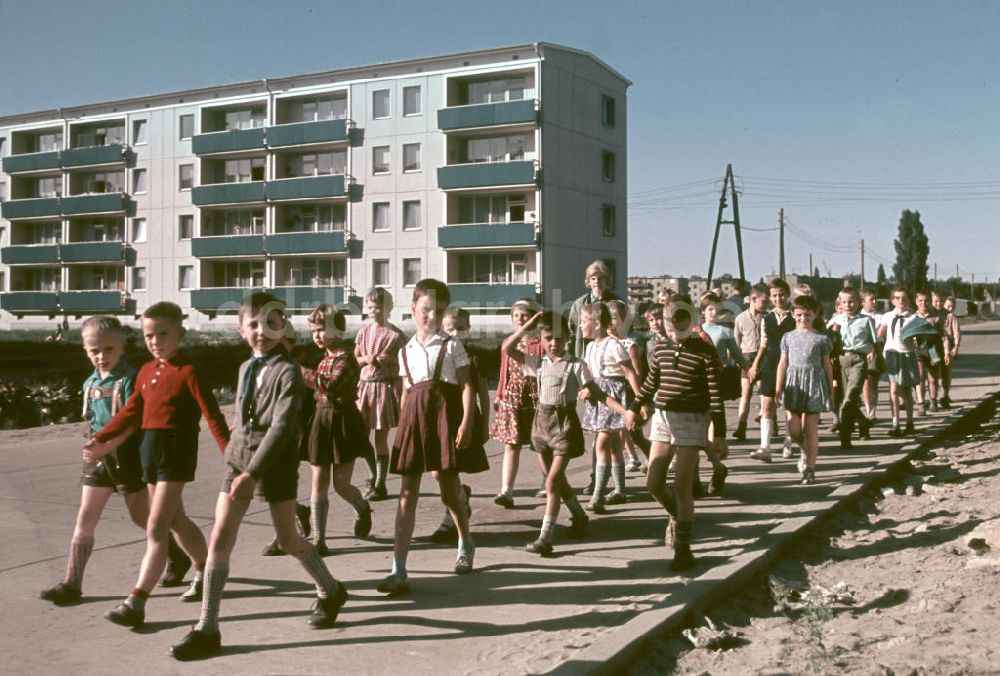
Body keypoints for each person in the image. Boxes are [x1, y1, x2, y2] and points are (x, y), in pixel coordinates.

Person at [170, 293, 348, 660]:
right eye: (252, 324)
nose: (260, 332)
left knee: (287, 538)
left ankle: (330, 589)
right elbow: (243, 418)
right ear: (240, 329)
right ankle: (207, 627)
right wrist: (236, 456)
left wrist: (253, 473)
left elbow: (282, 426)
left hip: (274, 463)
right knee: (221, 534)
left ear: (283, 328)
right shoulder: (245, 367)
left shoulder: (289, 372)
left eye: (270, 324)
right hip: (239, 460)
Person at [85, 301, 230, 628]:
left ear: (181, 333)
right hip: (149, 451)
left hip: (176, 452)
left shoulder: (189, 371)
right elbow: (131, 412)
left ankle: (136, 601)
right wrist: (101, 438)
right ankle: (206, 569)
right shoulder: (147, 372)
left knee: (156, 525)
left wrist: (231, 458)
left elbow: (213, 416)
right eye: (149, 335)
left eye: (163, 334)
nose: (155, 341)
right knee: (176, 519)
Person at [40, 316, 190, 606]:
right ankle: (72, 583)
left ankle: (176, 556)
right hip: (99, 458)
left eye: (109, 349)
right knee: (85, 516)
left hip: (128, 456)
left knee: (141, 517)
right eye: (94, 350)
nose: (101, 356)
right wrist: (94, 445)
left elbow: (133, 422)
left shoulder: (131, 379)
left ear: (122, 347)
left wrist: (107, 444)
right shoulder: (90, 382)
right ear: (85, 349)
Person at [377, 279, 479, 596]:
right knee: (408, 494)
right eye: (425, 310)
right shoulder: (405, 350)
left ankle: (465, 540)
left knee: (449, 491)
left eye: (437, 311)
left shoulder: (451, 345)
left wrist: (465, 424)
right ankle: (399, 569)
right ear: (413, 310)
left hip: (443, 422)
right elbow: (406, 393)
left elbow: (466, 386)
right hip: (413, 423)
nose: (431, 317)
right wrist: (402, 432)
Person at [625, 296, 728, 571]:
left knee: (683, 485)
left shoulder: (703, 352)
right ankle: (675, 515)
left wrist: (719, 433)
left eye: (679, 327)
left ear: (691, 323)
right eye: (669, 328)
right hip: (663, 417)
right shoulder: (660, 349)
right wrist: (635, 407)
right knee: (654, 484)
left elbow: (715, 396)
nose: (673, 333)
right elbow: (651, 382)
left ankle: (683, 548)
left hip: (693, 420)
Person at [505, 311, 618, 555]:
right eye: (548, 338)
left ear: (568, 338)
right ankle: (578, 515)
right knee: (554, 479)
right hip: (541, 427)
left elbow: (597, 392)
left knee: (552, 481)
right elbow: (507, 348)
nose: (554, 343)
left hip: (564, 426)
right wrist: (528, 325)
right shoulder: (537, 363)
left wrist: (624, 411)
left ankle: (545, 537)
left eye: (559, 338)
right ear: (541, 339)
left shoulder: (577, 366)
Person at [302, 304, 373, 556]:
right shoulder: (323, 358)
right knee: (317, 483)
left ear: (337, 329)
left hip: (342, 421)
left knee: (341, 485)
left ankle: (362, 507)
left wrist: (302, 374)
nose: (317, 336)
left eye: (321, 329)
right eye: (313, 331)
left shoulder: (347, 358)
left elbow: (330, 386)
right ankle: (319, 539)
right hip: (321, 420)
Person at [426, 306, 489, 543]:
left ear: (469, 330)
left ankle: (449, 521)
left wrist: (482, 426)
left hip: (466, 419)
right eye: (450, 328)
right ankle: (462, 497)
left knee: (447, 473)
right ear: (442, 328)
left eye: (461, 329)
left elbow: (482, 393)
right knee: (436, 472)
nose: (455, 333)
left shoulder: (473, 357)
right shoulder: (438, 354)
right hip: (442, 418)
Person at [580, 302, 641, 512]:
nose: (580, 325)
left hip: (613, 398)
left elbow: (630, 372)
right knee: (615, 447)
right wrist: (584, 389)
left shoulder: (614, 345)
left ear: (596, 323)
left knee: (601, 445)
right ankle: (620, 490)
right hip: (598, 398)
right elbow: (588, 373)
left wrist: (639, 402)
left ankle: (597, 495)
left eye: (583, 321)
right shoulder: (589, 347)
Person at [490, 298, 544, 508]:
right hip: (513, 397)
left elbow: (536, 367)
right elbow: (505, 370)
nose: (521, 319)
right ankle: (507, 490)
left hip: (534, 397)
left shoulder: (540, 342)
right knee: (511, 445)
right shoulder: (508, 341)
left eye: (525, 315)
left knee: (540, 445)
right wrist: (499, 393)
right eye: (516, 315)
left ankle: (547, 482)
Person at [776, 295, 834, 484]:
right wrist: (778, 388)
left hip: (814, 385)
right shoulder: (788, 337)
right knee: (793, 429)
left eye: (807, 314)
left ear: (815, 314)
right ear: (793, 314)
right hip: (794, 386)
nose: (803, 318)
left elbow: (827, 366)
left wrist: (831, 391)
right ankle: (804, 450)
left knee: (811, 430)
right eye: (799, 314)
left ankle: (810, 468)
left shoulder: (821, 339)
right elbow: (782, 363)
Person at [354, 287, 405, 501]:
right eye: (370, 306)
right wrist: (366, 359)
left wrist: (390, 360)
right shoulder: (364, 331)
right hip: (365, 387)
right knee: (360, 436)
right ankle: (372, 476)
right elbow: (355, 359)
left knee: (381, 437)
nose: (374, 311)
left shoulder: (395, 334)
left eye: (378, 307)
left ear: (389, 308)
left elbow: (405, 362)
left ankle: (380, 483)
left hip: (384, 387)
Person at [748, 278, 795, 462]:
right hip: (770, 363)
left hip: (791, 363)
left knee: (789, 405)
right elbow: (763, 343)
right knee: (767, 404)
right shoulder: (766, 319)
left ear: (787, 295)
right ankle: (765, 447)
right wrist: (755, 365)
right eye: (774, 296)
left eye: (781, 294)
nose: (778, 299)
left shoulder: (794, 316)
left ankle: (788, 445)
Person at [827, 289, 877, 447]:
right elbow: (827, 339)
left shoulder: (866, 320)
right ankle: (863, 422)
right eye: (844, 302)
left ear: (859, 302)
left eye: (852, 301)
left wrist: (872, 353)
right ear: (839, 304)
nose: (848, 305)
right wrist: (833, 332)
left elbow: (874, 341)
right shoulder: (836, 320)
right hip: (840, 360)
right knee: (844, 399)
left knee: (851, 396)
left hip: (858, 360)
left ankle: (845, 435)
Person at [608, 299, 651, 472]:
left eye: (614, 319)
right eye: (607, 319)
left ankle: (652, 459)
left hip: (628, 391)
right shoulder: (605, 341)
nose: (610, 323)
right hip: (611, 393)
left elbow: (637, 372)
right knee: (614, 433)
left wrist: (640, 400)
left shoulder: (630, 343)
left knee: (634, 433)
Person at [877, 287, 918, 437]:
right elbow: (879, 335)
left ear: (909, 300)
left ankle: (909, 422)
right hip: (891, 354)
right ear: (892, 300)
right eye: (898, 298)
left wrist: (914, 338)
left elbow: (918, 338)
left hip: (907, 354)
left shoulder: (913, 318)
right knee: (893, 390)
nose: (901, 301)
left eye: (904, 298)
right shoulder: (887, 316)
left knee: (906, 390)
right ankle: (896, 424)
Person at [732, 284, 768, 440]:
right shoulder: (740, 318)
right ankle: (741, 425)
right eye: (764, 301)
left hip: (763, 357)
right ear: (753, 299)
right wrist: (739, 361)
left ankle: (767, 422)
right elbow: (736, 341)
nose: (766, 305)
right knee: (745, 393)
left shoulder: (766, 317)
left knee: (764, 393)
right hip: (746, 357)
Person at [568, 259, 622, 359]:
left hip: (610, 355)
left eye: (600, 278)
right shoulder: (579, 304)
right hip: (584, 354)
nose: (597, 282)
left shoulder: (617, 302)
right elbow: (571, 332)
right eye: (593, 278)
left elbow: (625, 329)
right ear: (588, 281)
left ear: (606, 280)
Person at [914, 291, 943, 414]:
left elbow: (943, 335)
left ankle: (933, 400)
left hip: (933, 350)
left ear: (930, 302)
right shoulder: (912, 317)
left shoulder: (936, 316)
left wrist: (946, 351)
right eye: (920, 300)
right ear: (916, 302)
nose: (923, 303)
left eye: (926, 300)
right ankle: (921, 403)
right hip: (918, 350)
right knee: (920, 378)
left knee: (933, 379)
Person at [860, 290, 884, 422]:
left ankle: (871, 413)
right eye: (871, 300)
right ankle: (867, 410)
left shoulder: (880, 317)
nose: (875, 302)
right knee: (863, 383)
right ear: (863, 302)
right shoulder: (858, 316)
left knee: (872, 383)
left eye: (876, 299)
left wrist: (873, 349)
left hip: (875, 351)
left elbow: (879, 336)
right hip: (861, 351)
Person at [940, 295, 961, 408]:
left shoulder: (952, 317)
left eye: (952, 306)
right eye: (948, 306)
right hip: (939, 345)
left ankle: (945, 395)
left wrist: (956, 346)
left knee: (946, 373)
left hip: (949, 346)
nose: (950, 309)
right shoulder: (940, 315)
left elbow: (956, 332)